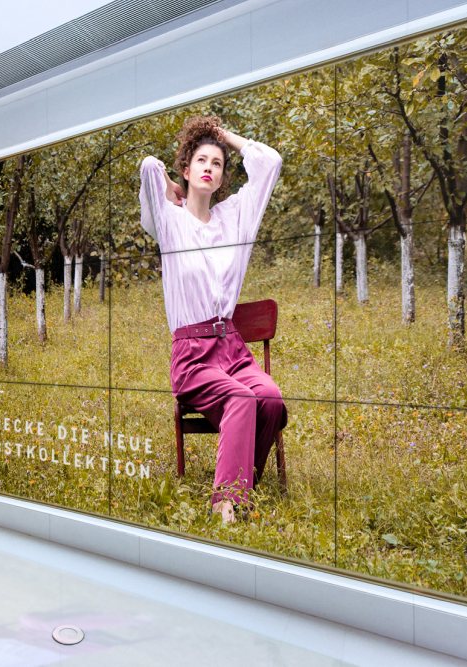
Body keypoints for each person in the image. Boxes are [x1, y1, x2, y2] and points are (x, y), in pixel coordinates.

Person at [139, 115, 286, 524]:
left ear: (222, 178)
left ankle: (244, 477)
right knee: (242, 399)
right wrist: (169, 183)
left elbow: (270, 162)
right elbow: (148, 167)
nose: (209, 167)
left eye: (217, 163)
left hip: (232, 349)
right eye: (201, 160)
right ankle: (226, 502)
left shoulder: (235, 217)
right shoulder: (169, 221)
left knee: (270, 399)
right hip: (193, 355)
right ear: (186, 170)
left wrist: (222, 136)